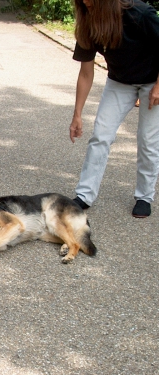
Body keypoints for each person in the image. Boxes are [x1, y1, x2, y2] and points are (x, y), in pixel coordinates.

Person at [70, 0, 159, 218]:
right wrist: (77, 115)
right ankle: (84, 195)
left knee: (147, 140)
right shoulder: (88, 22)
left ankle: (144, 196)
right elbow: (86, 73)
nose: (85, 2)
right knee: (101, 135)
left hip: (151, 81)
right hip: (119, 82)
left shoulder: (139, 14)